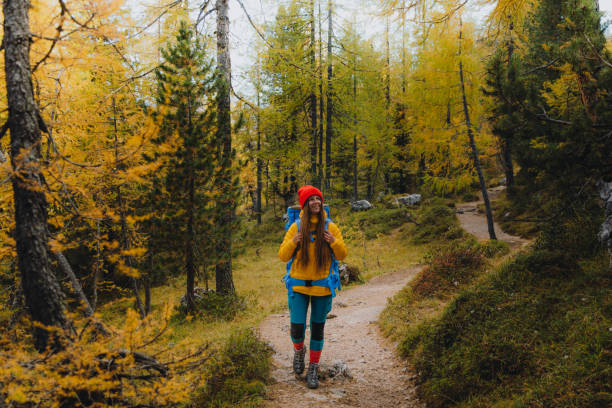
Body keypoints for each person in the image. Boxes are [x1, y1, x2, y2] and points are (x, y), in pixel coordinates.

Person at [278, 185, 347, 389]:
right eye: (311, 199)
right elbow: (282, 255)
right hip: (298, 287)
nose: (316, 202)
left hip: (322, 288)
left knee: (317, 329)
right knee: (297, 327)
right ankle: (299, 351)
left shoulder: (330, 227)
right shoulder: (296, 227)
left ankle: (313, 367)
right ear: (305, 204)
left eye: (318, 198)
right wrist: (293, 242)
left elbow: (342, 255)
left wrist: (334, 242)